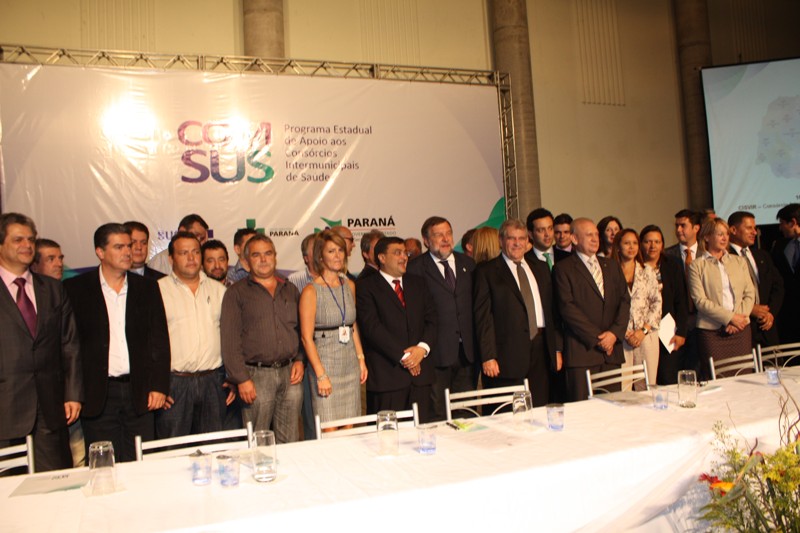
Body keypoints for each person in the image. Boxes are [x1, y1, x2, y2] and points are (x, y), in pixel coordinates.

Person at [65, 223, 170, 462]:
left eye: (129, 246)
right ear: (100, 252)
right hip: (98, 393)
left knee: (141, 463)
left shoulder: (147, 287)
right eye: (119, 247)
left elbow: (159, 340)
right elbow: (69, 345)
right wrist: (72, 392)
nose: (128, 252)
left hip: (140, 392)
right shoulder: (76, 289)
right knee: (104, 464)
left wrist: (159, 386)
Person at [0, 213, 82, 471]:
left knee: (57, 484)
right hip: (5, 409)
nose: (27, 245)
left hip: (50, 410)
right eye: (18, 240)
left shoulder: (53, 289)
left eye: (31, 240)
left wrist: (72, 394)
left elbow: (69, 344)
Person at [220, 234, 304, 442]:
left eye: (268, 254)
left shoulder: (290, 289)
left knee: (290, 439)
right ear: (247, 260)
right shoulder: (236, 293)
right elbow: (230, 341)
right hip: (256, 376)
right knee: (258, 439)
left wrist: (300, 360)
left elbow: (301, 330)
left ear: (275, 256)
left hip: (290, 374)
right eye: (256, 255)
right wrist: (242, 379)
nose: (263, 259)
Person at [473, 219, 562, 407]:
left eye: (521, 238)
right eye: (511, 238)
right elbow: (483, 318)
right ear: (501, 240)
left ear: (527, 241)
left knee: (539, 410)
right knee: (507, 414)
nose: (517, 243)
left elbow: (552, 312)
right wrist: (488, 356)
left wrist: (557, 348)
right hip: (505, 358)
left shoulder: (540, 268)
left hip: (541, 352)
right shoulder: (487, 271)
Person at [156, 232, 232, 438]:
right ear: (171, 258)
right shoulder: (158, 290)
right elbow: (149, 343)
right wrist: (157, 385)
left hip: (213, 382)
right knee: (174, 447)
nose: (191, 258)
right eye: (184, 253)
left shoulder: (219, 290)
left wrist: (233, 377)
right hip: (174, 384)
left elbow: (230, 338)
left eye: (196, 252)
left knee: (214, 446)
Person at [356, 236, 437, 422]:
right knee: (387, 434)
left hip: (421, 379)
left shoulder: (418, 283)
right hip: (388, 379)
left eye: (405, 253)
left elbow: (432, 319)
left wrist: (422, 349)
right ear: (382, 258)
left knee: (421, 431)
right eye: (397, 253)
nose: (404, 257)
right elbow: (372, 328)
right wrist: (407, 358)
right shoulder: (366, 287)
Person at [407, 216, 477, 420]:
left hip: (467, 353)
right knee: (438, 414)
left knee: (467, 412)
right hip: (435, 355)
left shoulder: (468, 264)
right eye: (439, 235)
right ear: (426, 240)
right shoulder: (415, 269)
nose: (446, 239)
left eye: (448, 233)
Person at [553, 218, 630, 402]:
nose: (595, 239)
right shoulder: (563, 269)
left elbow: (625, 301)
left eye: (596, 234)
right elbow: (567, 308)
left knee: (612, 409)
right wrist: (598, 339)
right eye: (589, 235)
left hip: (611, 353)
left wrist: (613, 334)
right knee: (584, 412)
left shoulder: (611, 265)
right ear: (574, 239)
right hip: (583, 353)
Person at [299, 230, 367, 429]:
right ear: (320, 256)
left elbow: (352, 325)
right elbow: (306, 338)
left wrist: (361, 359)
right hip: (325, 365)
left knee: (350, 428)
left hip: (350, 366)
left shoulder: (349, 285)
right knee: (329, 430)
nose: (338, 256)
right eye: (331, 251)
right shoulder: (311, 291)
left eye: (340, 250)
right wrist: (321, 375)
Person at [688, 219, 755, 379]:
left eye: (726, 234)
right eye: (719, 234)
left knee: (744, 376)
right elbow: (700, 301)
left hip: (741, 328)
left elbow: (749, 294)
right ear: (706, 237)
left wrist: (738, 319)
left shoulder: (739, 261)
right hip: (711, 331)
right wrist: (730, 318)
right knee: (718, 378)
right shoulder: (697, 265)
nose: (725, 238)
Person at [611, 229, 661, 389]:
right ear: (618, 247)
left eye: (634, 243)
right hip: (621, 337)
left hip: (646, 335)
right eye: (627, 243)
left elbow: (657, 303)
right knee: (623, 388)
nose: (631, 247)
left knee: (647, 387)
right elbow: (609, 307)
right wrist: (625, 332)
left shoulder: (647, 271)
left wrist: (643, 331)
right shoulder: (610, 272)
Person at [640, 225, 689, 385]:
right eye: (648, 241)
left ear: (662, 245)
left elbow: (681, 301)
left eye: (657, 242)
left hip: (668, 331)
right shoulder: (636, 266)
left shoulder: (672, 264)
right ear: (641, 244)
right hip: (644, 331)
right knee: (646, 380)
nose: (652, 246)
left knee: (668, 378)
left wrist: (681, 332)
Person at [728, 211, 783, 348]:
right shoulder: (725, 257)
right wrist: (750, 308)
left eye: (755, 228)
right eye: (749, 228)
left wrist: (770, 313)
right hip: (741, 328)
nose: (754, 232)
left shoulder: (762, 255)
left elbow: (778, 286)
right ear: (733, 230)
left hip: (767, 327)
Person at [665, 209, 702, 373]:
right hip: (678, 323)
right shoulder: (667, 255)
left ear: (696, 228)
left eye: (683, 225)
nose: (679, 230)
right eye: (677, 226)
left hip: (704, 321)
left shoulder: (706, 253)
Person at [773, 204, 800, 344]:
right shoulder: (780, 245)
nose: (780, 228)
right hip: (790, 316)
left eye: (782, 223)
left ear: (793, 222)